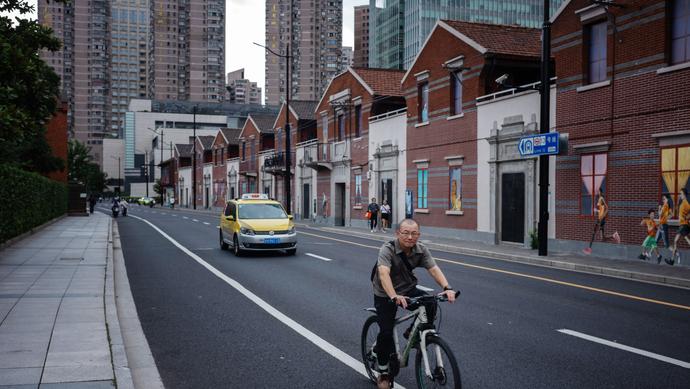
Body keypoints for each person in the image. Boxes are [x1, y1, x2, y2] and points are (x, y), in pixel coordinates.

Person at [372, 218, 456, 389]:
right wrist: (393, 295)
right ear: (398, 234)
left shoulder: (420, 250)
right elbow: (383, 275)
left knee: (431, 303)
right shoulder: (387, 249)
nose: (410, 237)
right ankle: (383, 373)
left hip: (407, 288)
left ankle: (414, 332)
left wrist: (447, 287)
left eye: (414, 233)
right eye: (406, 233)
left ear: (418, 235)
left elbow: (433, 269)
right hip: (385, 293)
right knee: (386, 334)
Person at [584, 187, 620, 255]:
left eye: (597, 191)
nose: (597, 193)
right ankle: (614, 235)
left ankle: (589, 249)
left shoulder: (601, 199)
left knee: (594, 232)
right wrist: (596, 210)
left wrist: (603, 216)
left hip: (601, 219)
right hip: (601, 219)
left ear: (600, 192)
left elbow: (607, 208)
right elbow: (601, 210)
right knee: (602, 239)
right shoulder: (599, 200)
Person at [669, 188, 690, 266]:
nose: (680, 195)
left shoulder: (686, 204)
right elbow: (682, 214)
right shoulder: (682, 204)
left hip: (684, 225)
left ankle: (672, 259)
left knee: (675, 241)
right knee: (683, 241)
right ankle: (672, 259)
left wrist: (684, 218)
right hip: (684, 225)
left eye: (681, 194)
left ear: (684, 195)